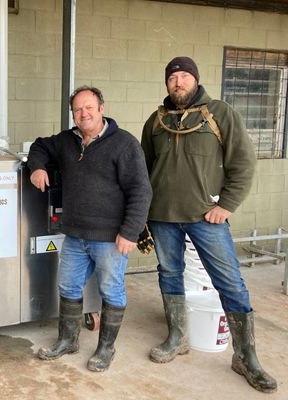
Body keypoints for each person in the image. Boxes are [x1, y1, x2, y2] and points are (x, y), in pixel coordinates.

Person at [141, 56, 277, 393]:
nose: (178, 82)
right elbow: (143, 171)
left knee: (229, 281)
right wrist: (142, 214)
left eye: (184, 76)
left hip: (206, 218)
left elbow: (243, 163)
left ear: (196, 79)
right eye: (172, 77)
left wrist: (227, 205)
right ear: (167, 83)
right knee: (169, 274)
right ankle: (177, 337)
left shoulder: (220, 113)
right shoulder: (156, 121)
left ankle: (245, 357)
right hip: (162, 217)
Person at [27, 86, 152, 372]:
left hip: (111, 238)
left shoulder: (124, 144)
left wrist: (130, 232)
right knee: (68, 286)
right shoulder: (67, 141)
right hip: (75, 234)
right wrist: (37, 167)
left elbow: (141, 191)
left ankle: (106, 348)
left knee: (111, 290)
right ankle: (68, 340)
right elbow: (39, 146)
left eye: (89, 107)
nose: (83, 114)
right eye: (77, 109)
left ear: (101, 109)